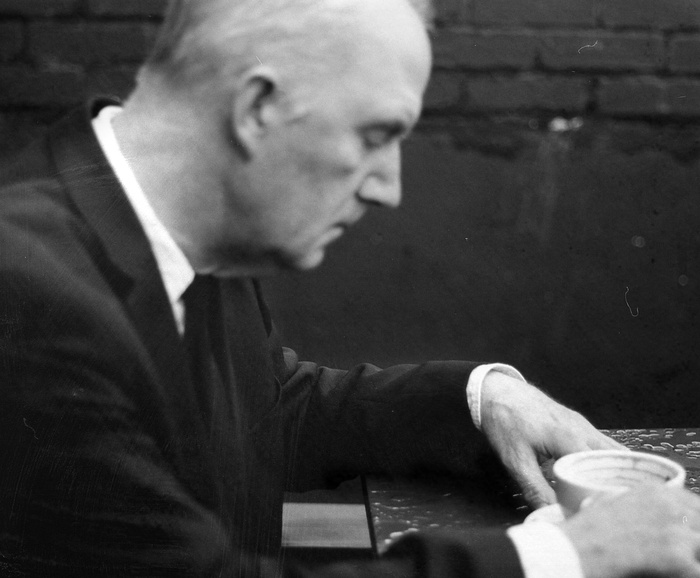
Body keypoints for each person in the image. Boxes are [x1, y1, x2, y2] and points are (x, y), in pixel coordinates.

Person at [0, 0, 699, 576]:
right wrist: (566, 556)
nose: (389, 188)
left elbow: (269, 416)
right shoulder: (29, 294)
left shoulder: (174, 232)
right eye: (375, 135)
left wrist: (480, 401)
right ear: (258, 108)